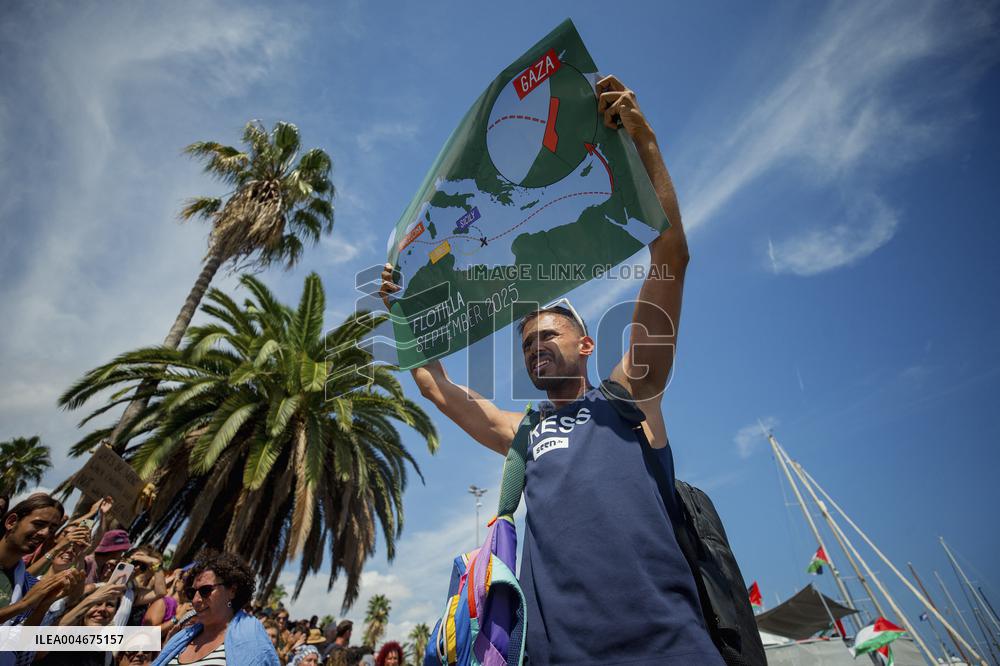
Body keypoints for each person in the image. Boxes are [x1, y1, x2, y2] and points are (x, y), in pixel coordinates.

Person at [380, 75, 724, 665]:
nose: (533, 345)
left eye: (547, 334)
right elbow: (435, 388)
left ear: (588, 344)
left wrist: (644, 143)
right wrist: (405, 312)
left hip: (668, 649)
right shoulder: (525, 432)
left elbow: (671, 255)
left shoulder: (630, 396)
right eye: (525, 342)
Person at [152, 551, 278, 665]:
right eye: (191, 593)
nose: (196, 600)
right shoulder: (182, 637)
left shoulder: (251, 638)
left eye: (205, 590)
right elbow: (138, 641)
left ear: (232, 591)